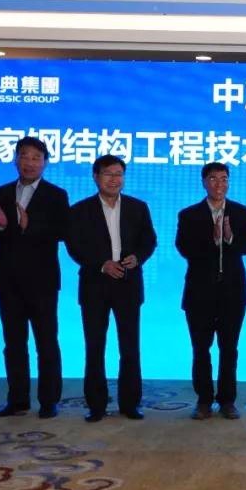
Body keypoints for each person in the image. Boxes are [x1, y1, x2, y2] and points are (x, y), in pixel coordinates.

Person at [0, 136, 70, 419]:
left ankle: (49, 401)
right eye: (24, 156)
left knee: (46, 342)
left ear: (45, 163)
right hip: (7, 280)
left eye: (36, 158)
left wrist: (28, 226)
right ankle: (17, 400)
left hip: (42, 281)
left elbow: (63, 232)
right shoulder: (0, 193)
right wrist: (2, 227)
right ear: (15, 159)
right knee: (14, 343)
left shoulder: (56, 195)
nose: (29, 163)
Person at [67, 155, 157, 423]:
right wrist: (101, 264)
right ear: (96, 177)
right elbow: (75, 246)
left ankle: (130, 403)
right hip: (94, 285)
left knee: (130, 347)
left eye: (119, 174)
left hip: (128, 284)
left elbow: (149, 240)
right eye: (108, 174)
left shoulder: (138, 207)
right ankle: (96, 405)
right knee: (95, 346)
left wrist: (138, 257)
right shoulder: (80, 210)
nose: (114, 179)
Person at [176, 162, 246, 420]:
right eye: (213, 179)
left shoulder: (241, 212)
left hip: (233, 292)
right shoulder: (189, 215)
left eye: (224, 179)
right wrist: (211, 239)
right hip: (199, 293)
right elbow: (184, 248)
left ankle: (227, 400)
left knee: (229, 348)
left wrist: (230, 237)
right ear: (204, 182)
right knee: (201, 348)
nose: (219, 184)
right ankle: (203, 400)